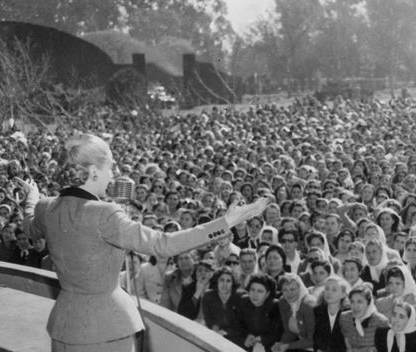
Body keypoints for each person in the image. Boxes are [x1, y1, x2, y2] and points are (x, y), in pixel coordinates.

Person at [19, 133, 269, 352]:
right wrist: (225, 222)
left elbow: (30, 227)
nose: (112, 175)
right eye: (110, 167)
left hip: (64, 324)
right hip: (107, 328)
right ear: (94, 171)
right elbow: (163, 244)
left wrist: (31, 196)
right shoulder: (104, 213)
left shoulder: (46, 207)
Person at [237, 273, 283, 352]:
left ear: (267, 294)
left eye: (260, 291)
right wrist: (247, 334)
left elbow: (278, 333)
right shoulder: (244, 301)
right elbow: (238, 324)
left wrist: (261, 339)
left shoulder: (276, 306)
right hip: (248, 343)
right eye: (252, 290)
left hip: (269, 346)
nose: (255, 294)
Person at [201, 267, 245, 345]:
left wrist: (224, 332)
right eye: (221, 280)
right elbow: (208, 320)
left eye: (228, 281)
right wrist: (215, 330)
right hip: (216, 337)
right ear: (217, 281)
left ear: (233, 283)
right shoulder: (208, 296)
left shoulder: (240, 296)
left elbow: (242, 325)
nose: (224, 284)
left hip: (238, 339)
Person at [273, 273, 316, 352]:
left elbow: (313, 340)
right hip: (301, 344)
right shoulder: (283, 302)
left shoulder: (308, 305)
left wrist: (288, 346)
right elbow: (289, 331)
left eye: (292, 289)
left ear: (299, 288)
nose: (289, 293)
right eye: (285, 290)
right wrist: (281, 344)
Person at [340, 284, 389, 351]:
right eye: (352, 302)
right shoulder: (345, 318)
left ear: (368, 303)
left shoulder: (381, 321)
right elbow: (346, 342)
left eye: (360, 302)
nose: (355, 306)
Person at [314, 275, 349, 352]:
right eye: (327, 289)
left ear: (343, 294)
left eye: (334, 290)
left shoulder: (349, 313)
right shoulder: (317, 311)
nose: (329, 292)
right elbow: (315, 337)